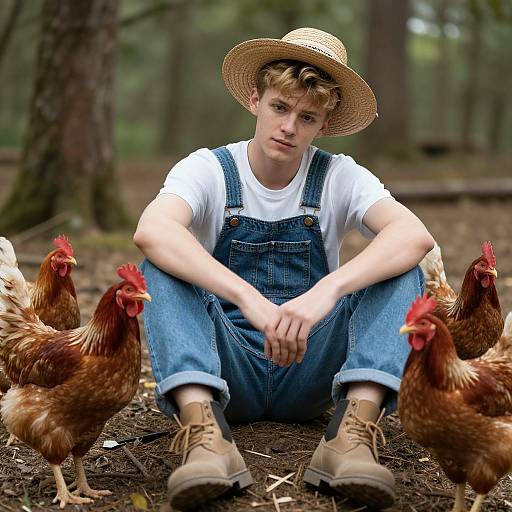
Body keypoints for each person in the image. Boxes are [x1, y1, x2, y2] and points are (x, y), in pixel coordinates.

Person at [134, 27, 434, 510]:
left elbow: (413, 235)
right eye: (279, 107)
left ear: (324, 125)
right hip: (227, 370)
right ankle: (204, 436)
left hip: (312, 370)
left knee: (403, 271)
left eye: (307, 116)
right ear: (255, 99)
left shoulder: (339, 175)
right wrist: (248, 299)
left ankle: (350, 437)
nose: (289, 127)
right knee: (160, 266)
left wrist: (328, 291)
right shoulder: (209, 169)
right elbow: (153, 229)